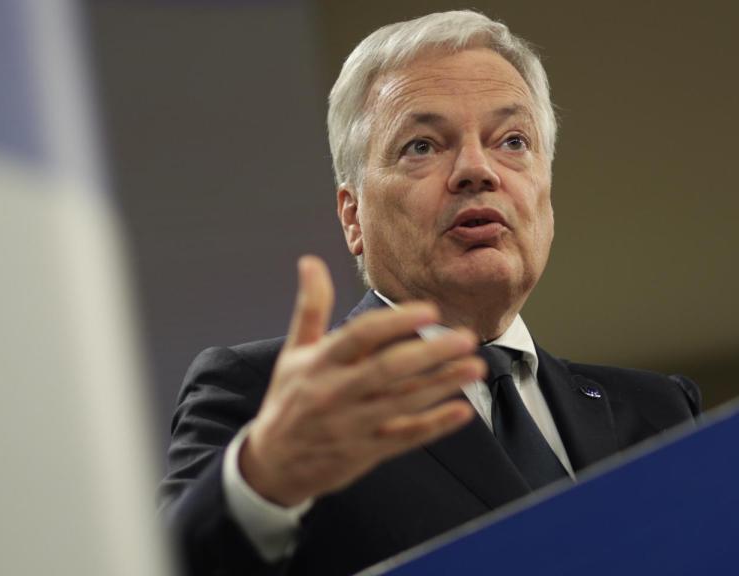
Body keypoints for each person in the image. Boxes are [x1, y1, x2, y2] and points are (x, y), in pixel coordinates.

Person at [159, 10, 700, 576]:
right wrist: (262, 481)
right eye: (422, 146)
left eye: (512, 140)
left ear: (546, 189)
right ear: (353, 217)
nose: (476, 170)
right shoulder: (271, 396)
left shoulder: (657, 411)